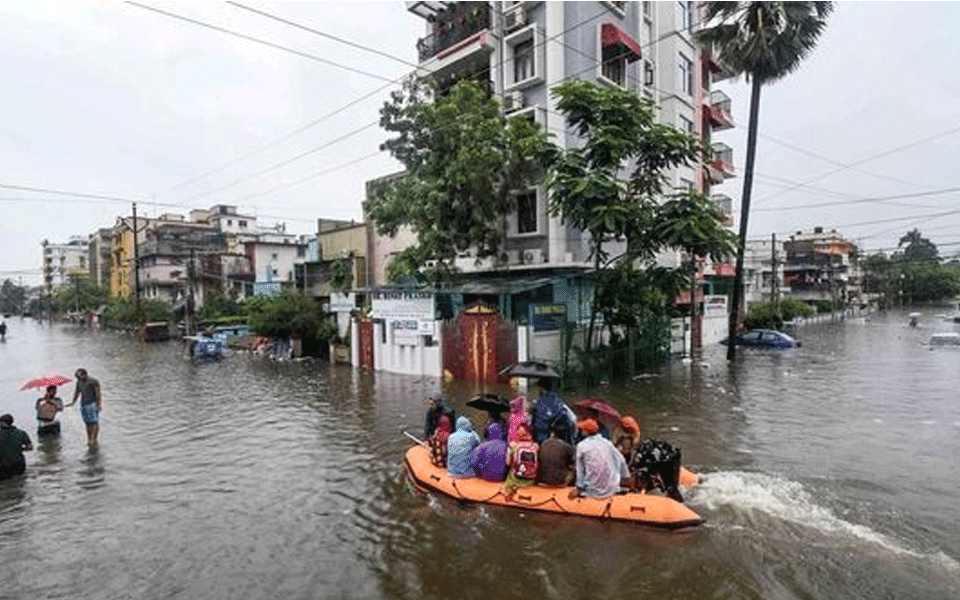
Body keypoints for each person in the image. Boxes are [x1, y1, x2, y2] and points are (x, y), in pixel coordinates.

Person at [569, 418, 630, 500]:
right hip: (612, 489)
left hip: (592, 491)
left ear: (585, 432)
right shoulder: (608, 443)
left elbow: (579, 471)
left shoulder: (581, 446)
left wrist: (579, 487)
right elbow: (622, 460)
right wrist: (625, 477)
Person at [66, 368, 102, 446]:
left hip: (92, 403)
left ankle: (94, 439)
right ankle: (89, 438)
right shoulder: (79, 382)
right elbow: (77, 392)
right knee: (87, 422)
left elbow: (98, 394)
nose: (78, 378)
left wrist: (98, 405)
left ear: (85, 374)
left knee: (94, 422)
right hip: (83, 404)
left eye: (79, 376)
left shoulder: (93, 381)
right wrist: (73, 402)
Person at [503, 422, 538, 498]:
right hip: (531, 481)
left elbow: (507, 463)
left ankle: (509, 490)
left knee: (510, 472)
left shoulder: (513, 446)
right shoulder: (536, 447)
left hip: (516, 480)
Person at [531, 378, 571, 444]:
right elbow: (570, 420)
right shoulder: (558, 401)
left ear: (541, 387)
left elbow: (537, 424)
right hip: (561, 439)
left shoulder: (540, 403)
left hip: (544, 439)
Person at [536, 420, 575, 487]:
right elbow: (572, 463)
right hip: (559, 482)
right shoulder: (567, 446)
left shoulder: (543, 443)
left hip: (542, 480)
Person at [0, 414, 32, 479]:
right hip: (19, 464)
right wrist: (19, 449)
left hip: (3, 466)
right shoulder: (21, 433)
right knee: (19, 482)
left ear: (2, 423)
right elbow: (30, 447)